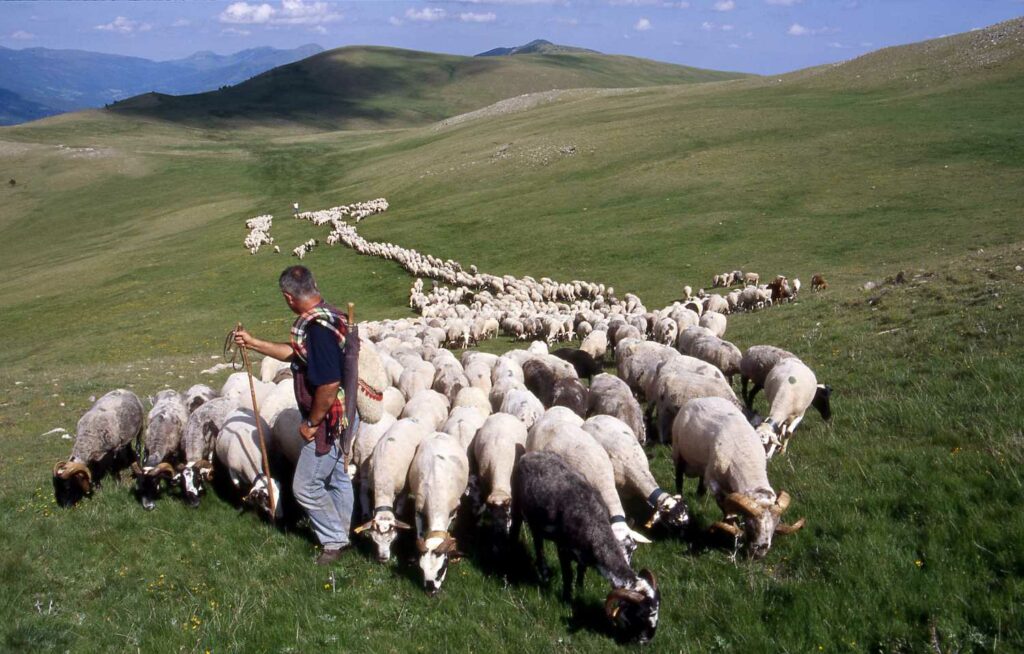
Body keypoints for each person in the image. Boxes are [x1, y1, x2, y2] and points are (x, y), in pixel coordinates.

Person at [234, 265, 358, 566]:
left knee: (305, 486)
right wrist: (254, 343)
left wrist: (312, 423)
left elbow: (328, 384)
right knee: (337, 478)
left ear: (288, 297)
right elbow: (295, 353)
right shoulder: (330, 314)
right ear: (314, 285)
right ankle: (342, 533)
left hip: (328, 421)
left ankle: (334, 540)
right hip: (344, 414)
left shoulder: (318, 329)